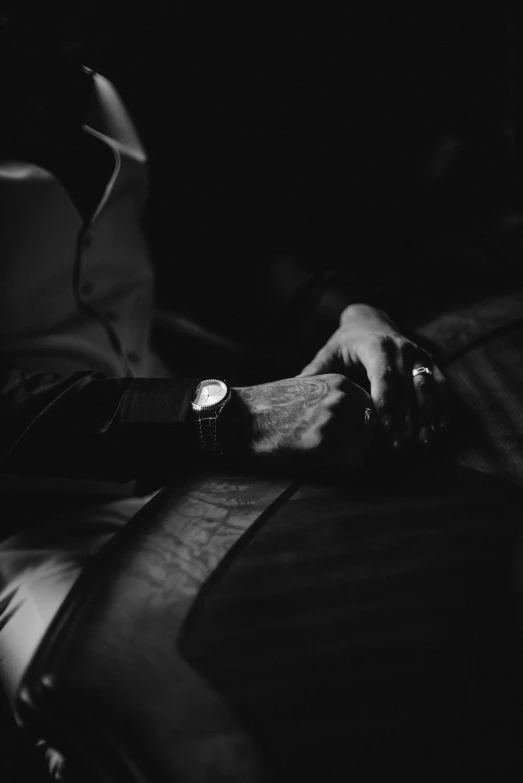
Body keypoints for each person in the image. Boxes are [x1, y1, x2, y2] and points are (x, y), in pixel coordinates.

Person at [0, 1, 446, 777]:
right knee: (137, 736)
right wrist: (227, 415)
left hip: (199, 470)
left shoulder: (105, 85)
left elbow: (207, 244)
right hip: (34, 526)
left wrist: (342, 311)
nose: (36, 111)